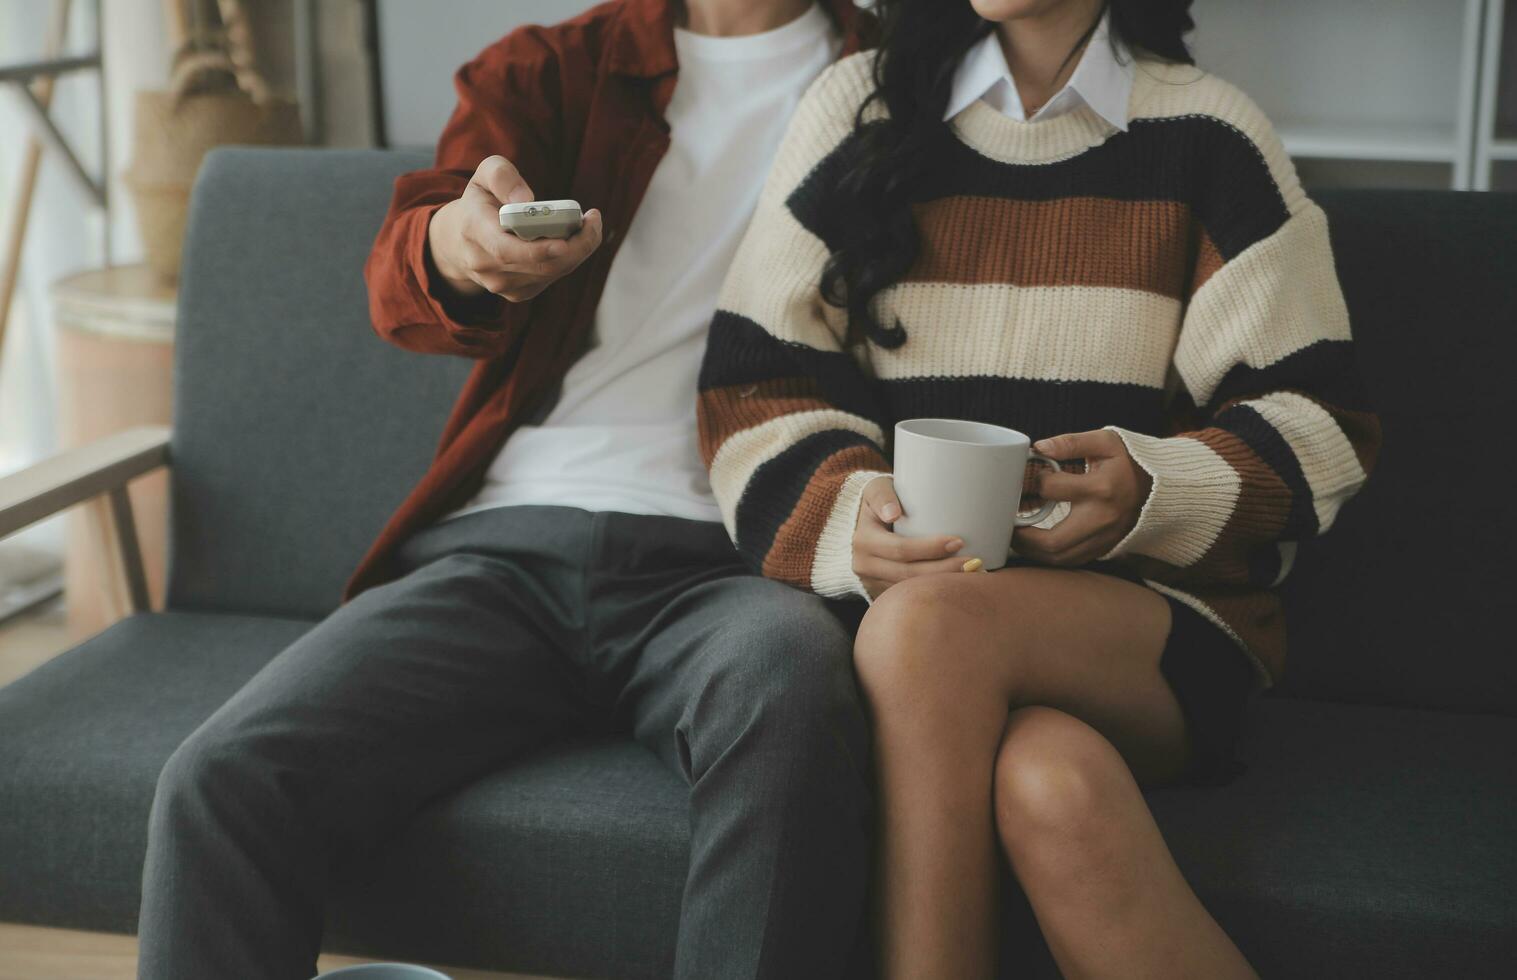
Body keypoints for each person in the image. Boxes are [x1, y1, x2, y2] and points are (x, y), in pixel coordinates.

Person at [135, 2, 881, 978]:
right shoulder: (550, 69)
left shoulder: (897, 80)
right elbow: (410, 258)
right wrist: (459, 245)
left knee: (785, 690)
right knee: (222, 780)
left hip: (739, 562)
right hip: (510, 550)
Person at [698, 0, 1382, 976]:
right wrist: (851, 517)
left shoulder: (1209, 134)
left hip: (1150, 628)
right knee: (1045, 778)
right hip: (931, 654)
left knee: (927, 626)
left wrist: (1153, 487)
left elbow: (1319, 418)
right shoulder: (860, 109)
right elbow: (752, 383)